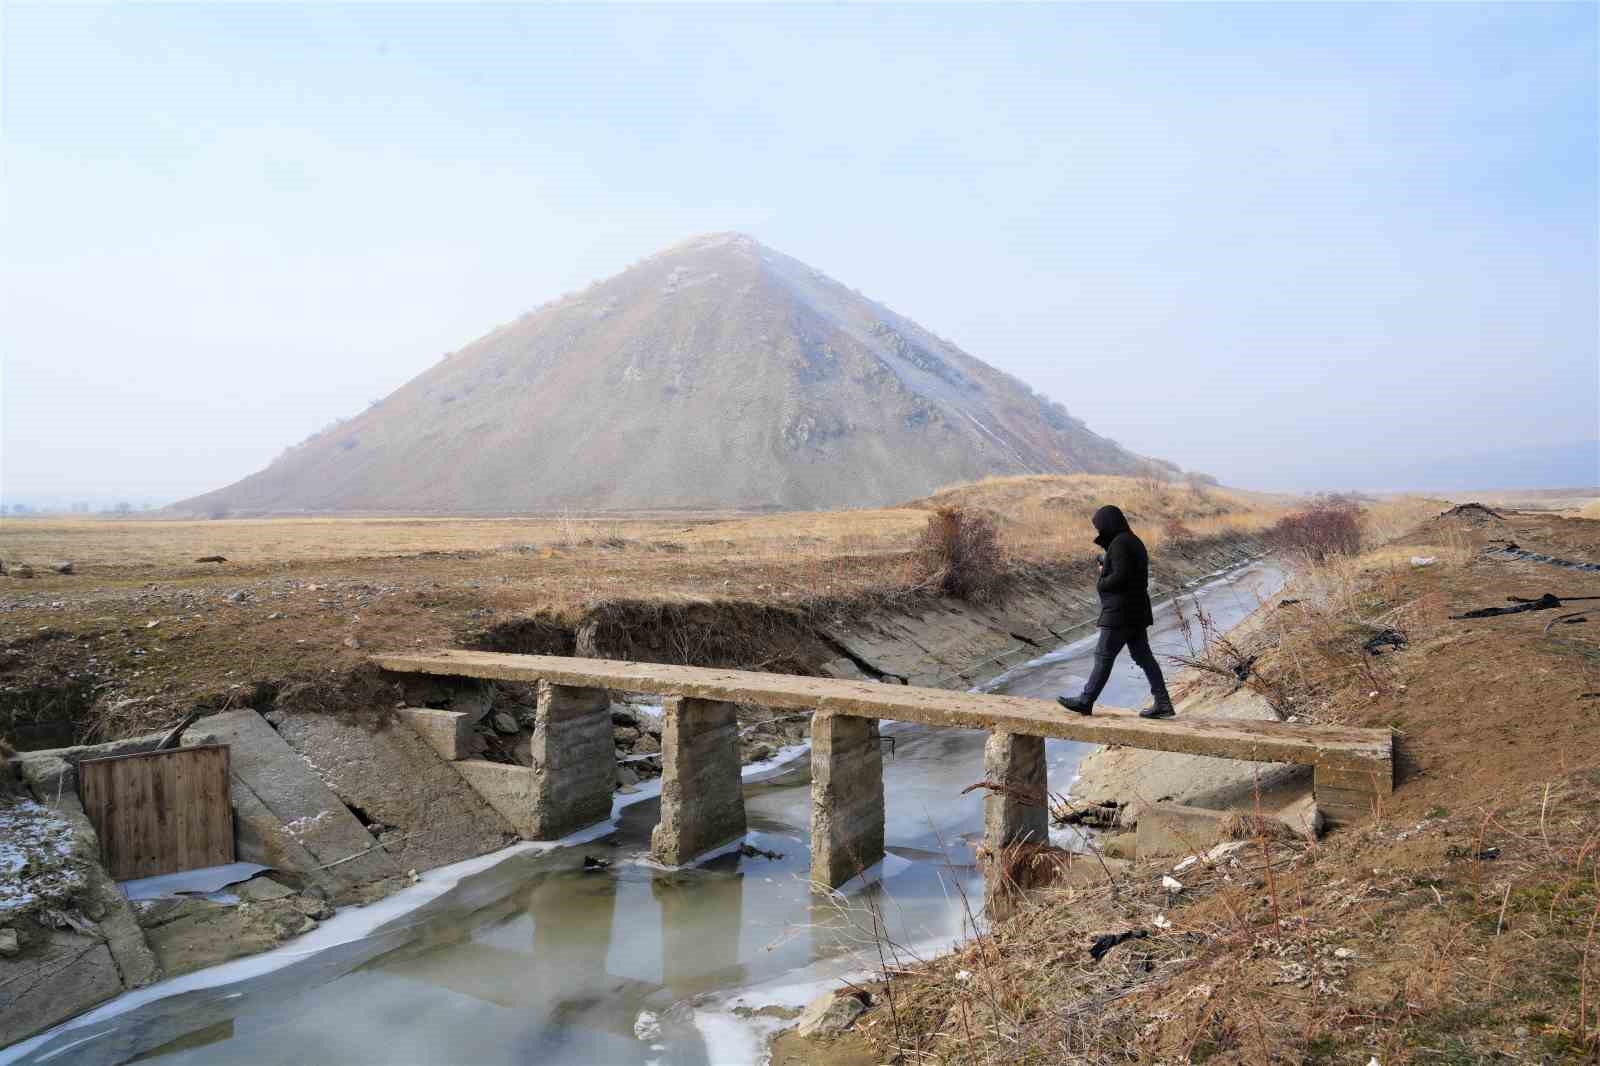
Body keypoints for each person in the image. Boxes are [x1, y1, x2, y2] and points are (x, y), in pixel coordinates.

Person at [1057, 505, 1175, 719]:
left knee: (1103, 656)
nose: (1099, 530)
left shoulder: (1120, 543)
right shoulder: (1133, 541)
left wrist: (1102, 578)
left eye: (1099, 526)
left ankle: (1085, 701)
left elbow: (1120, 577)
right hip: (1136, 610)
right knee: (1143, 657)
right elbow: (1131, 574)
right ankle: (1163, 702)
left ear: (1108, 523)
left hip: (1121, 612)